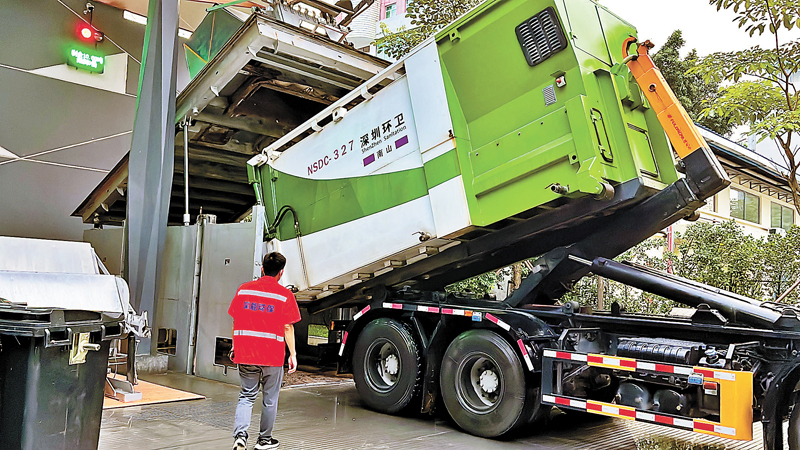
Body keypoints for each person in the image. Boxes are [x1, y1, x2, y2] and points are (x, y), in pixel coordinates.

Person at [228, 252, 300, 450]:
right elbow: (288, 327)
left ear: (262, 269)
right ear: (281, 273)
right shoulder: (285, 295)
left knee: (246, 396)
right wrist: (292, 354)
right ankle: (264, 441)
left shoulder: (244, 290)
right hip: (272, 357)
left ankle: (240, 437)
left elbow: (236, 319)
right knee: (270, 399)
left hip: (246, 354)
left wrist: (235, 344)